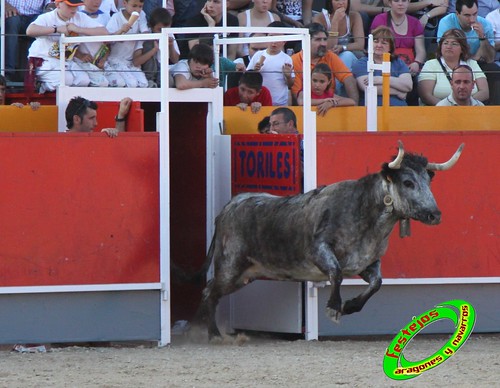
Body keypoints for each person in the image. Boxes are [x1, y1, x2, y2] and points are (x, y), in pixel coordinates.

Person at [25, 0, 109, 93]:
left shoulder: (80, 17)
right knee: (66, 80)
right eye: (70, 6)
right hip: (45, 59)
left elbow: (104, 32)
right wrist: (56, 29)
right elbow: (30, 31)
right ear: (58, 4)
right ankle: (42, 86)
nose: (74, 9)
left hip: (67, 60)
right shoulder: (48, 17)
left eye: (76, 6)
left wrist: (78, 29)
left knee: (84, 80)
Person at [291, 23, 359, 105]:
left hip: (331, 106)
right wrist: (326, 101)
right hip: (307, 110)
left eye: (325, 39)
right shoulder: (294, 60)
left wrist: (355, 108)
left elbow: (348, 78)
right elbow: (298, 97)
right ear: (306, 41)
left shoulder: (330, 55)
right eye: (318, 39)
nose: (323, 44)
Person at [418, 28, 488, 105]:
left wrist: (464, 105)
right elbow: (426, 96)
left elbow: (484, 92)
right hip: (438, 112)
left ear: (462, 48)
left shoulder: (472, 64)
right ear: (440, 46)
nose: (449, 46)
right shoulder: (430, 65)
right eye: (445, 43)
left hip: (469, 110)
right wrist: (449, 107)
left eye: (454, 43)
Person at [352, 25, 413, 106]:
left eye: (384, 43)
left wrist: (381, 79)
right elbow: (367, 88)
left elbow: (408, 85)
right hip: (373, 110)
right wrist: (398, 91)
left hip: (400, 110)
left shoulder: (398, 62)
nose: (379, 45)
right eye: (376, 41)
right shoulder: (361, 63)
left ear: (390, 47)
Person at [246, 21, 295, 106]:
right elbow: (247, 77)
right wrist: (255, 70)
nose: (274, 42)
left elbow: (290, 84)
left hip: (279, 103)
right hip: (259, 103)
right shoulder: (258, 55)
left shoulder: (287, 59)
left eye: (278, 38)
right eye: (271, 37)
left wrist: (288, 76)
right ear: (266, 37)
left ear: (284, 41)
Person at [105, 0, 150, 88]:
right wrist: (120, 32)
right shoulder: (116, 17)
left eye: (140, 6)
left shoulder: (141, 15)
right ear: (124, 3)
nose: (137, 9)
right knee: (131, 83)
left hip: (130, 61)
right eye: (134, 6)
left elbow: (145, 32)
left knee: (144, 84)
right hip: (115, 59)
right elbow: (107, 39)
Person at [3, 0, 51, 82]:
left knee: (42, 25)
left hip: (35, 16)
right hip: (11, 14)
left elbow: (49, 4)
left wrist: (49, 11)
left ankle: (34, 74)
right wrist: (4, 5)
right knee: (11, 23)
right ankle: (8, 73)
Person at [312, 0, 365, 68]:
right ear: (330, 2)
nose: (341, 3)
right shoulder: (319, 18)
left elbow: (360, 44)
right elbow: (329, 47)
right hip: (326, 56)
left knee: (347, 55)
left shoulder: (354, 16)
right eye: (337, 0)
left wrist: (343, 48)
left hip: (350, 55)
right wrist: (335, 22)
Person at [141, 7, 180, 87]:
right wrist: (154, 49)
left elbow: (175, 60)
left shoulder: (169, 34)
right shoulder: (146, 35)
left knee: (169, 82)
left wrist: (171, 46)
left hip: (163, 68)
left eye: (166, 29)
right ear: (151, 27)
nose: (163, 33)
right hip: (146, 70)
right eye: (160, 30)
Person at [65, 96, 133, 136]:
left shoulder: (94, 140)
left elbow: (119, 146)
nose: (96, 123)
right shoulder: (62, 143)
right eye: (91, 118)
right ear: (76, 119)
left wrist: (121, 116)